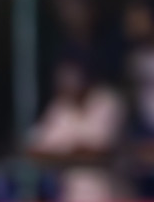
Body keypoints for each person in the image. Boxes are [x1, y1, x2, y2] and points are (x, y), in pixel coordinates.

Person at [27, 61, 125, 202]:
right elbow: (34, 151)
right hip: (70, 193)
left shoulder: (107, 100)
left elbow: (99, 152)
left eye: (74, 77)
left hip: (110, 191)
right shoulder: (60, 105)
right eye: (64, 79)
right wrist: (75, 152)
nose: (69, 83)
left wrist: (59, 153)